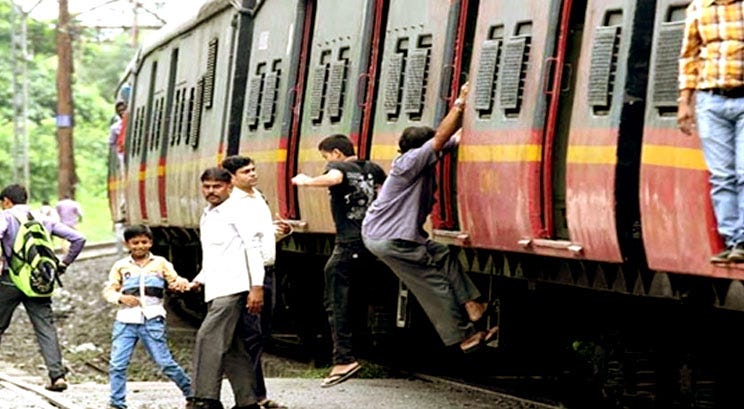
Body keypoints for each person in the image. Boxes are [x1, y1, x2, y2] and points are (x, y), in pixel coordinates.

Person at [361, 83, 495, 353]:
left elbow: (450, 139)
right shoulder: (408, 162)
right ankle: (464, 336)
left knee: (442, 253)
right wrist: (459, 104)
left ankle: (473, 306)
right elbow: (441, 139)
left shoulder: (420, 159)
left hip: (393, 236)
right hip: (390, 238)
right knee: (434, 284)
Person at [291, 134, 385, 387]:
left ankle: (344, 359)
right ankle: (356, 352)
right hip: (372, 242)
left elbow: (335, 178)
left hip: (348, 243)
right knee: (354, 297)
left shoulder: (339, 167)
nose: (326, 162)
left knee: (336, 300)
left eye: (325, 157)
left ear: (335, 153)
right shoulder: (373, 169)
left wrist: (308, 181)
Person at [187, 167, 263, 409]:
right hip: (216, 286)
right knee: (232, 346)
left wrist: (256, 287)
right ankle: (247, 401)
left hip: (235, 286)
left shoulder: (239, 212)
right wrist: (200, 278)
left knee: (208, 337)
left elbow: (253, 250)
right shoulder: (208, 214)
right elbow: (214, 254)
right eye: (207, 186)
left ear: (229, 187)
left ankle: (204, 398)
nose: (211, 191)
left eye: (217, 186)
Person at [0, 184, 86, 391]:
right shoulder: (43, 218)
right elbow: (78, 238)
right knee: (45, 328)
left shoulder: (5, 216)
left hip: (10, 280)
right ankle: (57, 377)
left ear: (6, 201)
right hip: (39, 281)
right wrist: (63, 264)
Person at [221, 155, 291, 408]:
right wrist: (254, 286)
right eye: (246, 172)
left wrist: (279, 232)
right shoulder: (231, 204)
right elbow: (241, 243)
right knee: (250, 335)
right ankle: (252, 397)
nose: (252, 174)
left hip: (267, 271)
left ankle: (256, 395)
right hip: (251, 276)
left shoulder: (258, 197)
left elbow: (259, 236)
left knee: (260, 336)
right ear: (232, 177)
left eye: (253, 169)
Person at [678, 0, 744, 263]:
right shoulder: (698, 7)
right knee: (721, 176)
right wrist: (685, 102)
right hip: (711, 101)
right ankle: (735, 240)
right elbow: (689, 57)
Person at [102, 224, 192, 409]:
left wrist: (181, 283)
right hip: (126, 321)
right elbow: (109, 290)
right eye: (135, 243)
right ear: (127, 244)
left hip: (152, 320)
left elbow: (174, 280)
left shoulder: (160, 263)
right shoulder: (121, 266)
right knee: (117, 364)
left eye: (144, 242)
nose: (140, 246)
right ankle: (117, 403)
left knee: (165, 362)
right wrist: (120, 298)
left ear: (150, 242)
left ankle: (191, 393)